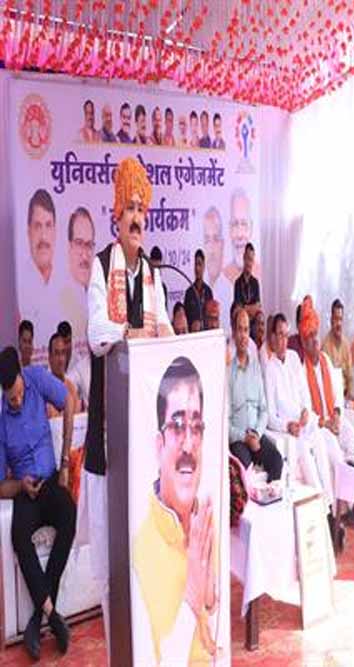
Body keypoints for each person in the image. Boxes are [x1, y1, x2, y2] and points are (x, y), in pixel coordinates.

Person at [85, 157, 173, 656]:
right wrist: (130, 332)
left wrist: (169, 336)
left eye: (142, 209)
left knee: (143, 551)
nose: (137, 217)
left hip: (144, 440)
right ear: (116, 216)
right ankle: (116, 648)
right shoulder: (102, 268)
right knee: (108, 561)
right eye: (130, 208)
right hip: (108, 439)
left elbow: (168, 335)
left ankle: (145, 649)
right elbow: (96, 333)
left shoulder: (155, 278)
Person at [132, 356, 219, 663]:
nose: (188, 444)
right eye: (178, 426)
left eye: (196, 427)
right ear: (159, 445)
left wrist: (207, 594)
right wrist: (192, 598)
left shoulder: (204, 519)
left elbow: (215, 630)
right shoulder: (141, 549)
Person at [0, 347, 76, 660]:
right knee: (18, 535)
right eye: (11, 399)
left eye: (19, 394)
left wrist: (66, 461)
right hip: (25, 490)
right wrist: (20, 485)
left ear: (22, 377)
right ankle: (53, 616)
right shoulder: (1, 419)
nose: (17, 401)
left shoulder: (36, 378)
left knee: (68, 512)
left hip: (51, 480)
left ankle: (37, 619)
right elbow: (0, 486)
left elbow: (68, 400)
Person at [262, 313, 338, 540]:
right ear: (272, 338)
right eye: (279, 335)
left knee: (321, 443)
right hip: (289, 430)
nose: (283, 340)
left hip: (305, 421)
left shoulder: (295, 358)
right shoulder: (269, 368)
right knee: (305, 452)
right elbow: (270, 415)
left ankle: (331, 507)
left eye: (286, 335)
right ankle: (323, 515)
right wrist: (288, 426)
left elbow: (305, 395)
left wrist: (306, 411)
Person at [299, 296, 354, 458]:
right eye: (310, 336)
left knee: (351, 437)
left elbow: (337, 393)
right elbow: (306, 409)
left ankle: (352, 469)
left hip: (333, 419)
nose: (315, 340)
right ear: (304, 343)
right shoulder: (302, 370)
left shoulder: (325, 359)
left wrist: (337, 415)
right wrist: (325, 423)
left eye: (315, 334)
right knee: (334, 448)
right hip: (319, 428)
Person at [229, 307, 283, 482]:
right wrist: (244, 437)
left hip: (256, 435)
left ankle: (271, 496)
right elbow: (225, 423)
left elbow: (264, 410)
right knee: (245, 468)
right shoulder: (227, 371)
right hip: (238, 439)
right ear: (233, 332)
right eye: (239, 329)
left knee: (277, 461)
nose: (243, 336)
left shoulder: (255, 367)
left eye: (246, 330)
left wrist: (257, 434)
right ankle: (252, 500)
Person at [321, 299, 354, 401]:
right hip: (332, 398)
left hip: (346, 397)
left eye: (341, 319)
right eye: (336, 319)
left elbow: (350, 376)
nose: (339, 323)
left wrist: (350, 395)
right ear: (331, 320)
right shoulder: (325, 346)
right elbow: (325, 381)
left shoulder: (346, 344)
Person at [183, 249, 214, 331]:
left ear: (204, 266)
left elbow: (211, 317)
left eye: (200, 264)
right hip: (192, 335)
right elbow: (185, 318)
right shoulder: (189, 292)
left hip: (206, 334)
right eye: (195, 264)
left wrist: (202, 323)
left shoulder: (208, 292)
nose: (197, 268)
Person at [232, 242, 261, 319]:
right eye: (248, 258)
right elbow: (238, 308)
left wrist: (244, 307)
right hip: (241, 320)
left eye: (251, 260)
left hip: (253, 321)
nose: (249, 263)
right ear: (244, 258)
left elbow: (257, 307)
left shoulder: (255, 282)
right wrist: (250, 308)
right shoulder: (238, 282)